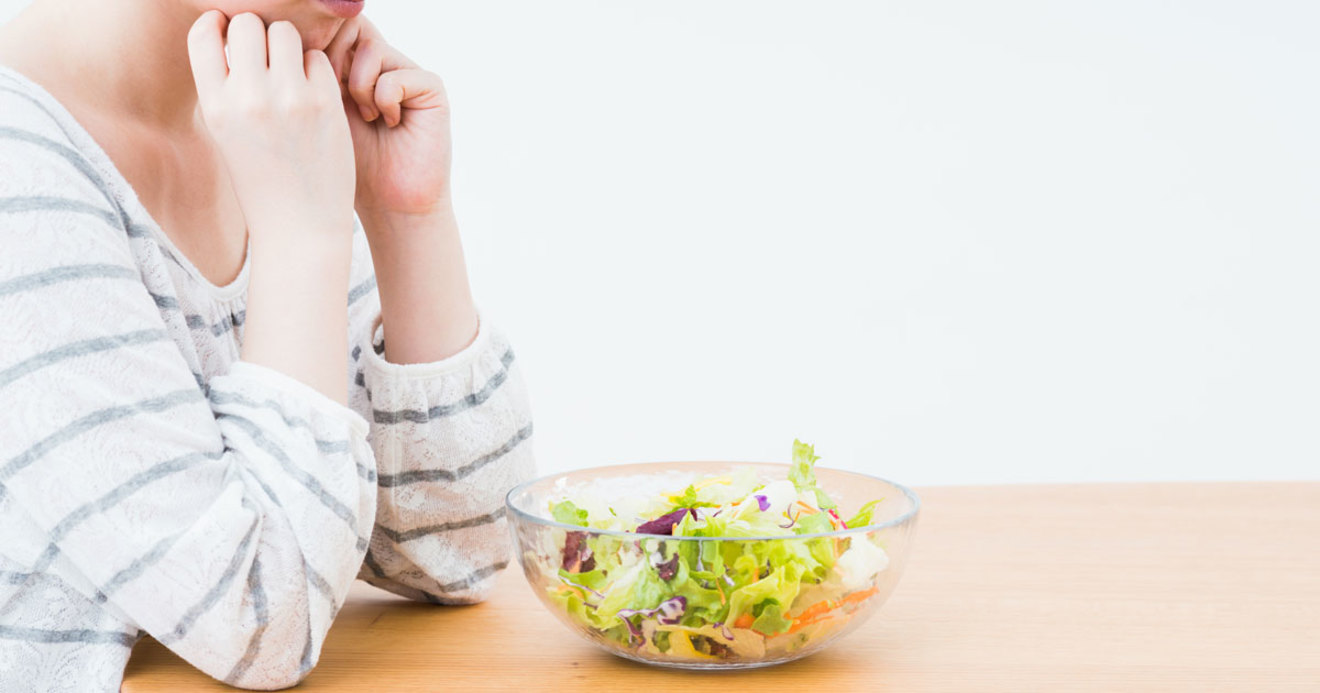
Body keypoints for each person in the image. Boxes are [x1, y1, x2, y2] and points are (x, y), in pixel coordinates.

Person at [0, 0, 536, 689]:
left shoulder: (263, 120)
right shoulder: (18, 167)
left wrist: (406, 214)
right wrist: (301, 238)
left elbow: (459, 549)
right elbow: (258, 621)